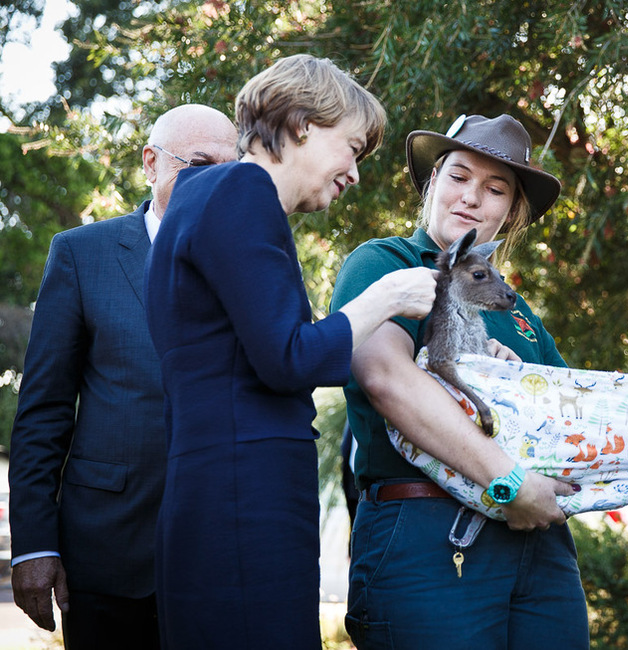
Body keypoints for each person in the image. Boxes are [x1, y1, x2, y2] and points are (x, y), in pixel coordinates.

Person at [143, 54, 436, 650]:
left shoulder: (202, 198)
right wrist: (385, 296)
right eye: (352, 148)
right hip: (245, 504)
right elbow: (289, 358)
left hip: (212, 493)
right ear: (302, 122)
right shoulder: (241, 189)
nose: (354, 172)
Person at [330, 113, 589, 649]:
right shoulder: (388, 263)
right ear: (431, 182)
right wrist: (508, 484)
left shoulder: (518, 314)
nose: (472, 197)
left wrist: (519, 382)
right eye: (458, 176)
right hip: (427, 535)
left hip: (541, 548)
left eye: (495, 189)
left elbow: (570, 417)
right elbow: (386, 378)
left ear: (511, 211)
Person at [7, 104, 237, 650]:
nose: (215, 185)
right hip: (109, 549)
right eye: (199, 165)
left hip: (220, 551)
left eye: (230, 172)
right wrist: (34, 544)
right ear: (150, 163)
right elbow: (44, 410)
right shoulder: (81, 254)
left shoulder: (248, 262)